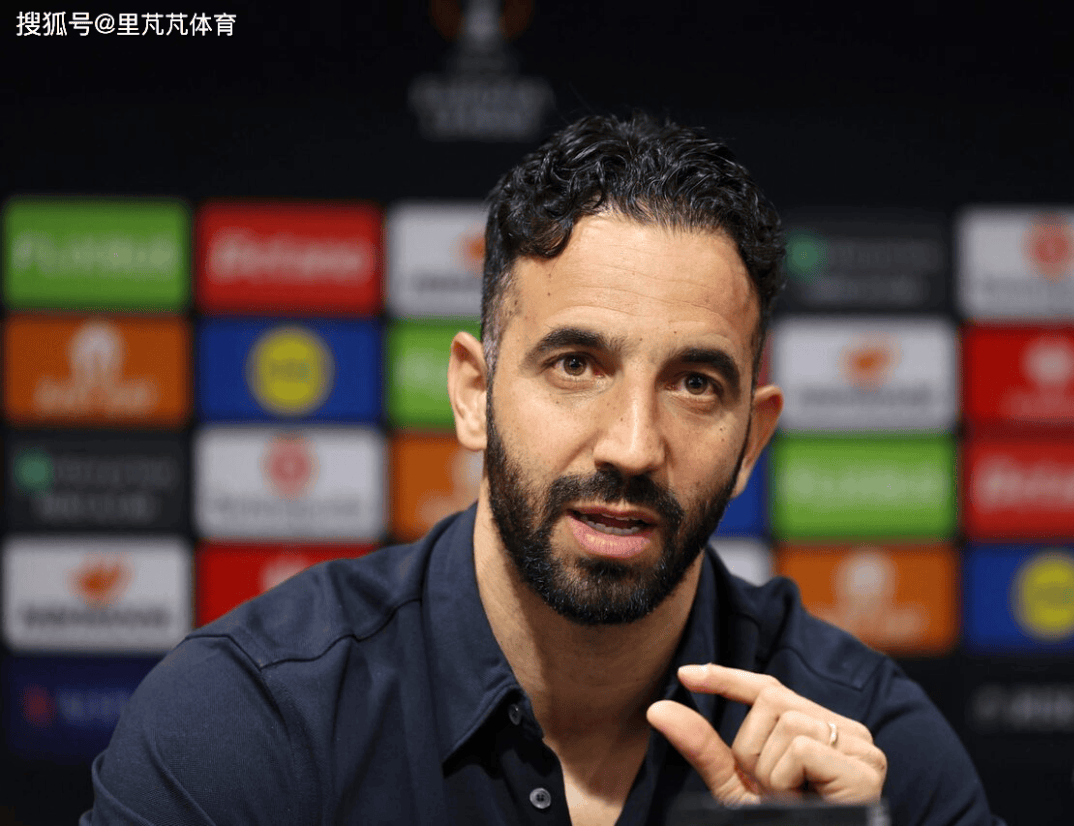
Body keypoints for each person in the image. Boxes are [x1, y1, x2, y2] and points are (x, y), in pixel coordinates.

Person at [82, 113, 1001, 826]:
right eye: (575, 365)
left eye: (694, 383)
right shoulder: (248, 719)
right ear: (473, 395)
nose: (632, 446)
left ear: (750, 440)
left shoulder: (870, 760)